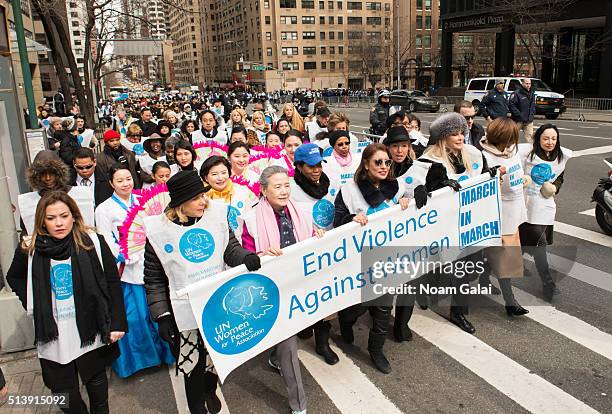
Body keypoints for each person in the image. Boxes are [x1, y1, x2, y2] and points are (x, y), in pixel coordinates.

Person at [143, 170, 261, 414]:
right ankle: (197, 406)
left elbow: (231, 249)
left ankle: (210, 391)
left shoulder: (216, 215)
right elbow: (153, 279)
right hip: (182, 313)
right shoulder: (158, 231)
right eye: (196, 198)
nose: (203, 201)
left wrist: (246, 257)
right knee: (191, 366)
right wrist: (162, 316)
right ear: (179, 204)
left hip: (216, 305)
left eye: (203, 196)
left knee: (214, 359)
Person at [7, 191, 127, 414]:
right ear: (42, 220)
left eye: (64, 215)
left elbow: (112, 282)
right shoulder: (30, 248)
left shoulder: (92, 242)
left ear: (74, 215)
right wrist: (34, 304)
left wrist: (117, 322)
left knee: (98, 390)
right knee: (65, 396)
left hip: (90, 326)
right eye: (51, 218)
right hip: (54, 332)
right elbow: (13, 277)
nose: (59, 223)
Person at [239, 166, 318, 414]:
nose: (284, 191)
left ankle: (274, 358)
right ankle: (299, 405)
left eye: (287, 185)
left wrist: (320, 236)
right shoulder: (249, 219)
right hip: (272, 289)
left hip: (299, 283)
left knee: (286, 341)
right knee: (288, 345)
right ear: (263, 190)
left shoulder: (302, 211)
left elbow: (312, 239)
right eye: (277, 186)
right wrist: (261, 255)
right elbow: (246, 255)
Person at [333, 143, 410, 373]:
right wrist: (350, 219)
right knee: (356, 308)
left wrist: (408, 202)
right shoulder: (349, 190)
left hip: (387, 260)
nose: (385, 166)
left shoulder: (395, 188)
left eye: (387, 162)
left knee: (383, 309)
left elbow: (412, 208)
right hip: (358, 262)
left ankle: (376, 350)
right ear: (366, 164)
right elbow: (337, 220)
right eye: (378, 162)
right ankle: (346, 322)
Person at [420, 112, 498, 334]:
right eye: (454, 133)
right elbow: (424, 194)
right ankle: (456, 310)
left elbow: (481, 178)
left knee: (468, 270)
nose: (460, 137)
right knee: (447, 267)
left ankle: (452, 305)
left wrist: (489, 175)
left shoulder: (472, 154)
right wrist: (441, 186)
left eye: (461, 132)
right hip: (443, 227)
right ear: (443, 137)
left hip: (470, 224)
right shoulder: (430, 161)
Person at [95, 165, 175, 378]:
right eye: (119, 180)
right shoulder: (103, 209)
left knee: (157, 311)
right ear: (111, 183)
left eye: (128, 179)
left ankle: (165, 353)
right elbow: (104, 237)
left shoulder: (142, 199)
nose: (125, 184)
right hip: (126, 268)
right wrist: (121, 253)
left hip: (150, 261)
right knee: (134, 316)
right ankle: (140, 360)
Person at [480, 118, 529, 316]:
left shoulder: (514, 150)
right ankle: (511, 302)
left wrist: (525, 179)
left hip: (515, 210)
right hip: (497, 212)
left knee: (495, 253)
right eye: (509, 139)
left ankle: (484, 279)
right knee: (504, 256)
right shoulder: (486, 158)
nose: (511, 144)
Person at [518, 124, 572, 301]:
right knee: (538, 246)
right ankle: (548, 283)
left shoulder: (561, 157)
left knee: (524, 246)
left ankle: (488, 272)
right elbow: (512, 169)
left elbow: (560, 178)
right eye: (546, 138)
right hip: (526, 207)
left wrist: (554, 187)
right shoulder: (526, 153)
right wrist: (521, 180)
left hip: (545, 208)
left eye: (553, 139)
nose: (550, 142)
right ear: (538, 138)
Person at [18, 150, 95, 234]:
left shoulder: (81, 195)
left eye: (52, 173)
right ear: (37, 176)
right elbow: (25, 232)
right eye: (43, 174)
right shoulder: (28, 203)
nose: (48, 178)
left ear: (59, 173)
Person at [200, 156, 258, 231]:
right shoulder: (201, 198)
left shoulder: (242, 192)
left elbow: (250, 221)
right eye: (214, 174)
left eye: (224, 173)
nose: (220, 178)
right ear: (206, 178)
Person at [509, 78, 536, 143]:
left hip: (529, 120)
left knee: (531, 139)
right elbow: (511, 105)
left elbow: (533, 105)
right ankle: (510, 151)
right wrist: (519, 115)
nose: (528, 85)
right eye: (526, 83)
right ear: (522, 84)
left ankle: (531, 152)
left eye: (529, 84)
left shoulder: (532, 93)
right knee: (513, 138)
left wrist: (532, 114)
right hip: (518, 120)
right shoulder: (516, 93)